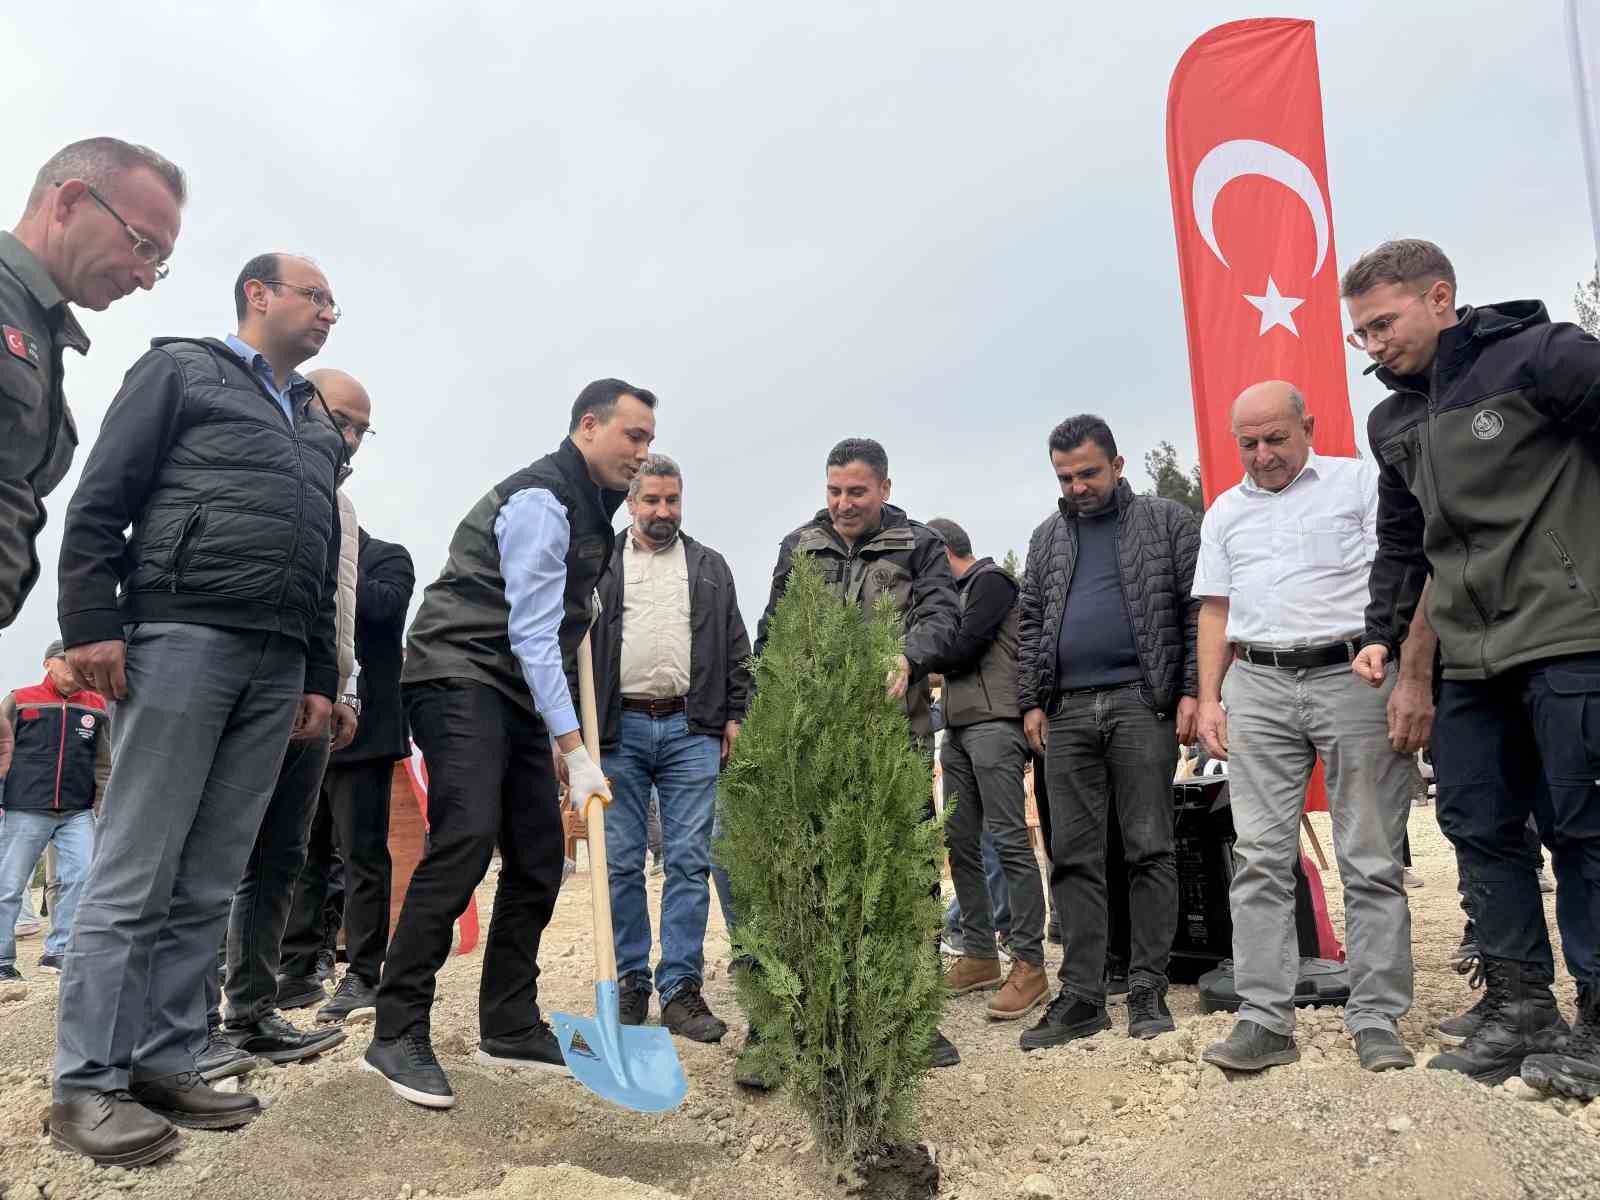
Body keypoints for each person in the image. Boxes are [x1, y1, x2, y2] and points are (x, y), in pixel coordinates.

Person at [49, 252, 346, 1165]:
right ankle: (86, 1083)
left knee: (212, 875)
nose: (331, 311)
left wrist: (318, 674)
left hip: (275, 663)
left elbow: (321, 554)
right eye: (316, 296)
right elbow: (101, 501)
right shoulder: (180, 370)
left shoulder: (314, 424)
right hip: (181, 639)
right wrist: (90, 622)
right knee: (136, 868)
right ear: (258, 296)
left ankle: (166, 1058)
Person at [1344, 238, 1600, 1093]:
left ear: (1440, 295)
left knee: (1584, 831)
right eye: (1362, 334)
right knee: (1479, 829)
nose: (1374, 345)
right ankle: (1521, 1008)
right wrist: (1383, 631)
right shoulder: (1392, 421)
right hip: (1467, 660)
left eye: (1384, 323)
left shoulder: (1542, 356)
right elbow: (1402, 542)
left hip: (1568, 633)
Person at [362, 379, 654, 1110]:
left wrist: (559, 735)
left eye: (649, 441)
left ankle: (510, 1021)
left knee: (537, 853)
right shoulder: (540, 503)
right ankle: (395, 1031)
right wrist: (574, 747)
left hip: (513, 690)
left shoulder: (593, 515)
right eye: (633, 437)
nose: (642, 454)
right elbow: (528, 631)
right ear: (588, 427)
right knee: (465, 836)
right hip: (457, 671)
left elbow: (563, 633)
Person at [1193, 380, 1424, 1076]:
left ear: (1308, 425)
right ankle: (1265, 1018)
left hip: (1353, 673)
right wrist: (1209, 698)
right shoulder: (1224, 511)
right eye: (1249, 443)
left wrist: (1407, 670)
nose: (1262, 455)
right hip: (1257, 683)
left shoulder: (1359, 485)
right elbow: (1214, 610)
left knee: (1370, 853)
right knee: (1260, 855)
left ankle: (1377, 1015)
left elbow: (1403, 571)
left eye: (1275, 439)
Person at [738, 436, 959, 1084]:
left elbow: (945, 618)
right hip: (813, 750)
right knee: (803, 882)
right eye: (833, 490)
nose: (842, 503)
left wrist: (910, 655)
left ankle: (913, 1015)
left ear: (884, 489)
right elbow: (772, 631)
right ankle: (779, 1028)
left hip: (896, 744)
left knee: (906, 879)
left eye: (855, 492)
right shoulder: (799, 546)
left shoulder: (918, 545)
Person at [199, 361, 367, 1077]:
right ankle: (191, 1020)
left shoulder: (344, 506)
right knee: (216, 853)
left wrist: (344, 687)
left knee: (284, 856)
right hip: (253, 680)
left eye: (362, 427)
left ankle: (253, 1008)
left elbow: (341, 602)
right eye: (342, 419)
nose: (352, 437)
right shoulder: (259, 471)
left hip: (317, 692)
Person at [1017, 415, 1198, 1049]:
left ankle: (1147, 985)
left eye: (1088, 472)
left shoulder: (1167, 523)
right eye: (1065, 477)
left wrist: (1192, 691)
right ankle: (1084, 995)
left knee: (1149, 846)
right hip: (1064, 711)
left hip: (1139, 703)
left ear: (1118, 465)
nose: (1077, 486)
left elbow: (1194, 608)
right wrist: (1032, 702)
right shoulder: (1046, 539)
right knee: (1072, 856)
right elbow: (1032, 620)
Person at [590, 453, 751, 1043]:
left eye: (673, 500)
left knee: (689, 861)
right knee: (621, 862)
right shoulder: (598, 561)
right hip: (618, 729)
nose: (663, 511)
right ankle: (631, 982)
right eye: (652, 500)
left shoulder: (708, 566)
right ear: (631, 502)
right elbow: (567, 640)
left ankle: (680, 988)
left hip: (692, 729)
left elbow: (736, 645)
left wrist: (736, 714)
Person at [0, 138, 184, 646]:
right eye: (142, 245)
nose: (146, 278)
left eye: (159, 262)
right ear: (69, 202)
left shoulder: (38, 330)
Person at [281, 516, 415, 1027]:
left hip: (366, 736)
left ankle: (363, 972)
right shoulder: (306, 555)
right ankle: (298, 964)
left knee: (362, 856)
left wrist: (336, 568)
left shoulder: (389, 556)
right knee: (302, 855)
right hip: (305, 733)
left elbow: (384, 610)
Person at [920, 517, 1048, 1021]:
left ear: (944, 552)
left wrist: (914, 655)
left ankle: (1030, 962)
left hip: (997, 724)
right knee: (960, 843)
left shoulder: (991, 583)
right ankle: (978, 953)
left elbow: (962, 646)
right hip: (958, 728)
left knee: (1010, 841)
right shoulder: (955, 593)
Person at [0, 641, 109, 980]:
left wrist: (102, 806)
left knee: (82, 876)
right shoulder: (20, 699)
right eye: (66, 663)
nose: (75, 670)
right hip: (24, 808)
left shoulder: (97, 706)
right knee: (9, 885)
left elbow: (103, 763)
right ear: (48, 664)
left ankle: (60, 950)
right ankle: (2, 960)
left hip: (77, 811)